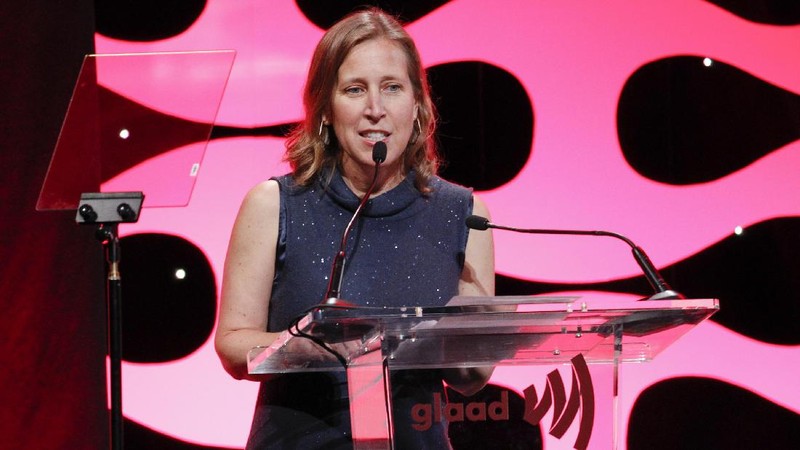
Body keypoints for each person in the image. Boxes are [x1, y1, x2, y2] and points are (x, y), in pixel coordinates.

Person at [215, 7, 495, 449]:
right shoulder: (274, 205)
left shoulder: (465, 213)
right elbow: (233, 346)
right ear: (325, 108)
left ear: (418, 106)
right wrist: (319, 347)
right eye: (354, 90)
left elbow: (470, 379)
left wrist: (479, 337)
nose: (375, 110)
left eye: (392, 88)